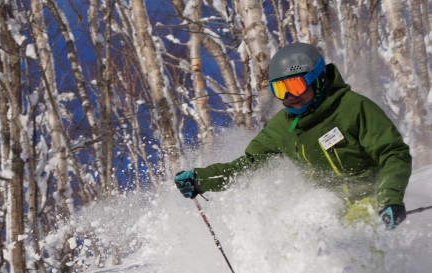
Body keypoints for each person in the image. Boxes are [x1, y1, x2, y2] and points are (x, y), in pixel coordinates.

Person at [174, 42, 412, 230]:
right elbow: (249, 165)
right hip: (324, 204)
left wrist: (389, 199)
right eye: (280, 89)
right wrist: (202, 179)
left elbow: (392, 153)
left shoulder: (353, 108)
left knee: (355, 231)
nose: (288, 96)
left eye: (296, 86)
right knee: (300, 234)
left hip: (368, 199)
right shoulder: (282, 128)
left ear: (317, 79)